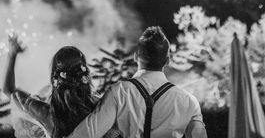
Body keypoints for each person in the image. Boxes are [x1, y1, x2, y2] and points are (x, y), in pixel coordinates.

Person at [67, 26, 207, 138]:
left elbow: (88, 134)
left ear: (136, 57)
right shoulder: (189, 101)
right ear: (168, 60)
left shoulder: (119, 92)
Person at [3, 33, 121, 138]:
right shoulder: (101, 107)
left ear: (55, 79)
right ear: (84, 75)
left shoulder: (45, 113)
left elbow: (9, 90)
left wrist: (12, 54)